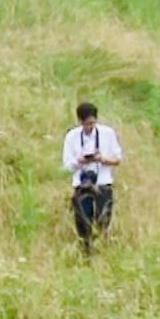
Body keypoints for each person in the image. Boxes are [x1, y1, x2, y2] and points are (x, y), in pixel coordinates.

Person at [62, 102, 122, 256]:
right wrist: (80, 161)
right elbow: (67, 165)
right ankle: (86, 253)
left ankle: (102, 250)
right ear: (80, 122)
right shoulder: (72, 136)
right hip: (81, 184)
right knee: (83, 222)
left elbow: (117, 159)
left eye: (92, 123)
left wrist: (102, 159)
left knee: (103, 220)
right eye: (87, 124)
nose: (90, 126)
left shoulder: (107, 133)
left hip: (103, 182)